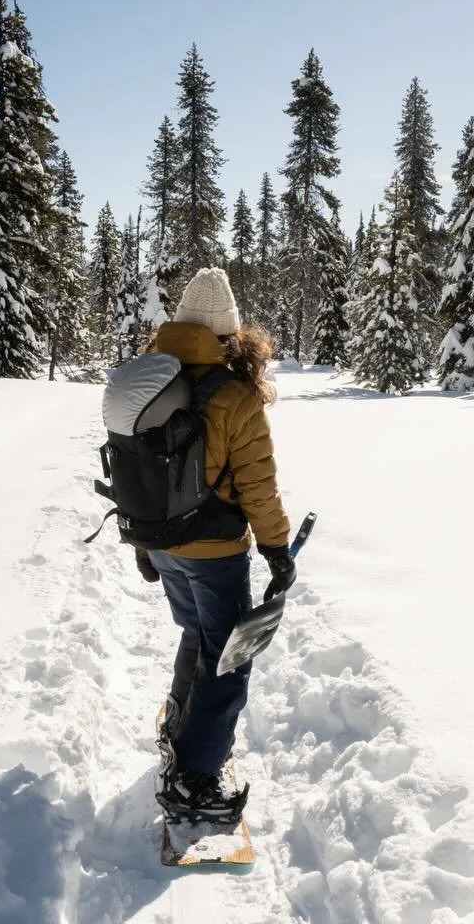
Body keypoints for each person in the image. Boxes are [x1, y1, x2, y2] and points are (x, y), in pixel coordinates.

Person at [137, 266, 295, 822]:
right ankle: (194, 781)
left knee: (198, 633)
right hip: (214, 552)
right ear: (229, 333)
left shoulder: (146, 380)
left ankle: (181, 725)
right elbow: (257, 483)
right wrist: (277, 549)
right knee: (231, 660)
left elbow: (138, 471)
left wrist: (143, 542)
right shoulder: (233, 396)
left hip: (160, 544)